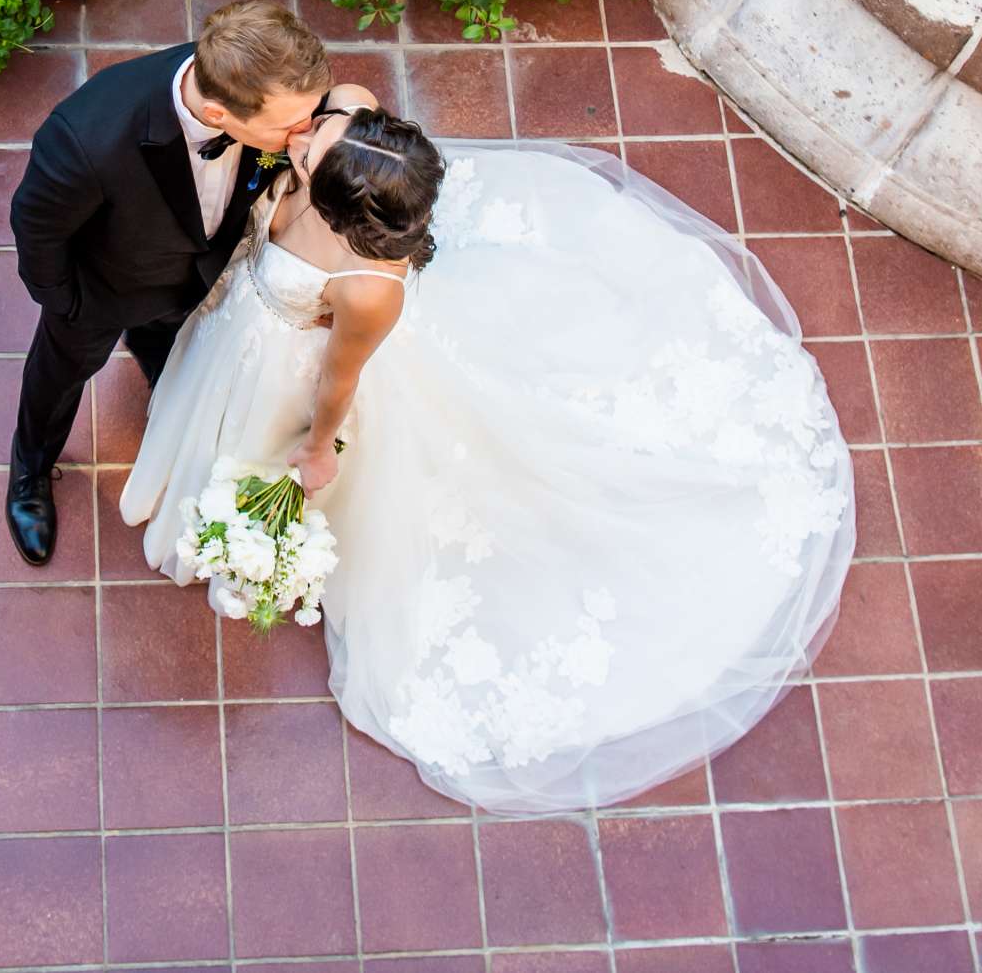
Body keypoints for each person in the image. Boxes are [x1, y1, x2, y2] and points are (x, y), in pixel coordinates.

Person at [120, 88, 856, 813]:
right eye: (321, 136)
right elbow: (331, 102)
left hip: (286, 367)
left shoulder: (369, 291)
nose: (303, 138)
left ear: (345, 219)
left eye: (311, 151)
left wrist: (317, 453)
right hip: (242, 328)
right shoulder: (341, 110)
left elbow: (339, 383)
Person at [4, 0, 332, 565]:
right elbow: (35, 229)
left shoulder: (271, 84)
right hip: (103, 290)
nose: (306, 130)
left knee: (171, 349)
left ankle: (161, 375)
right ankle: (30, 470)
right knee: (58, 379)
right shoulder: (87, 138)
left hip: (196, 281)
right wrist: (70, 304)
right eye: (289, 126)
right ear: (218, 113)